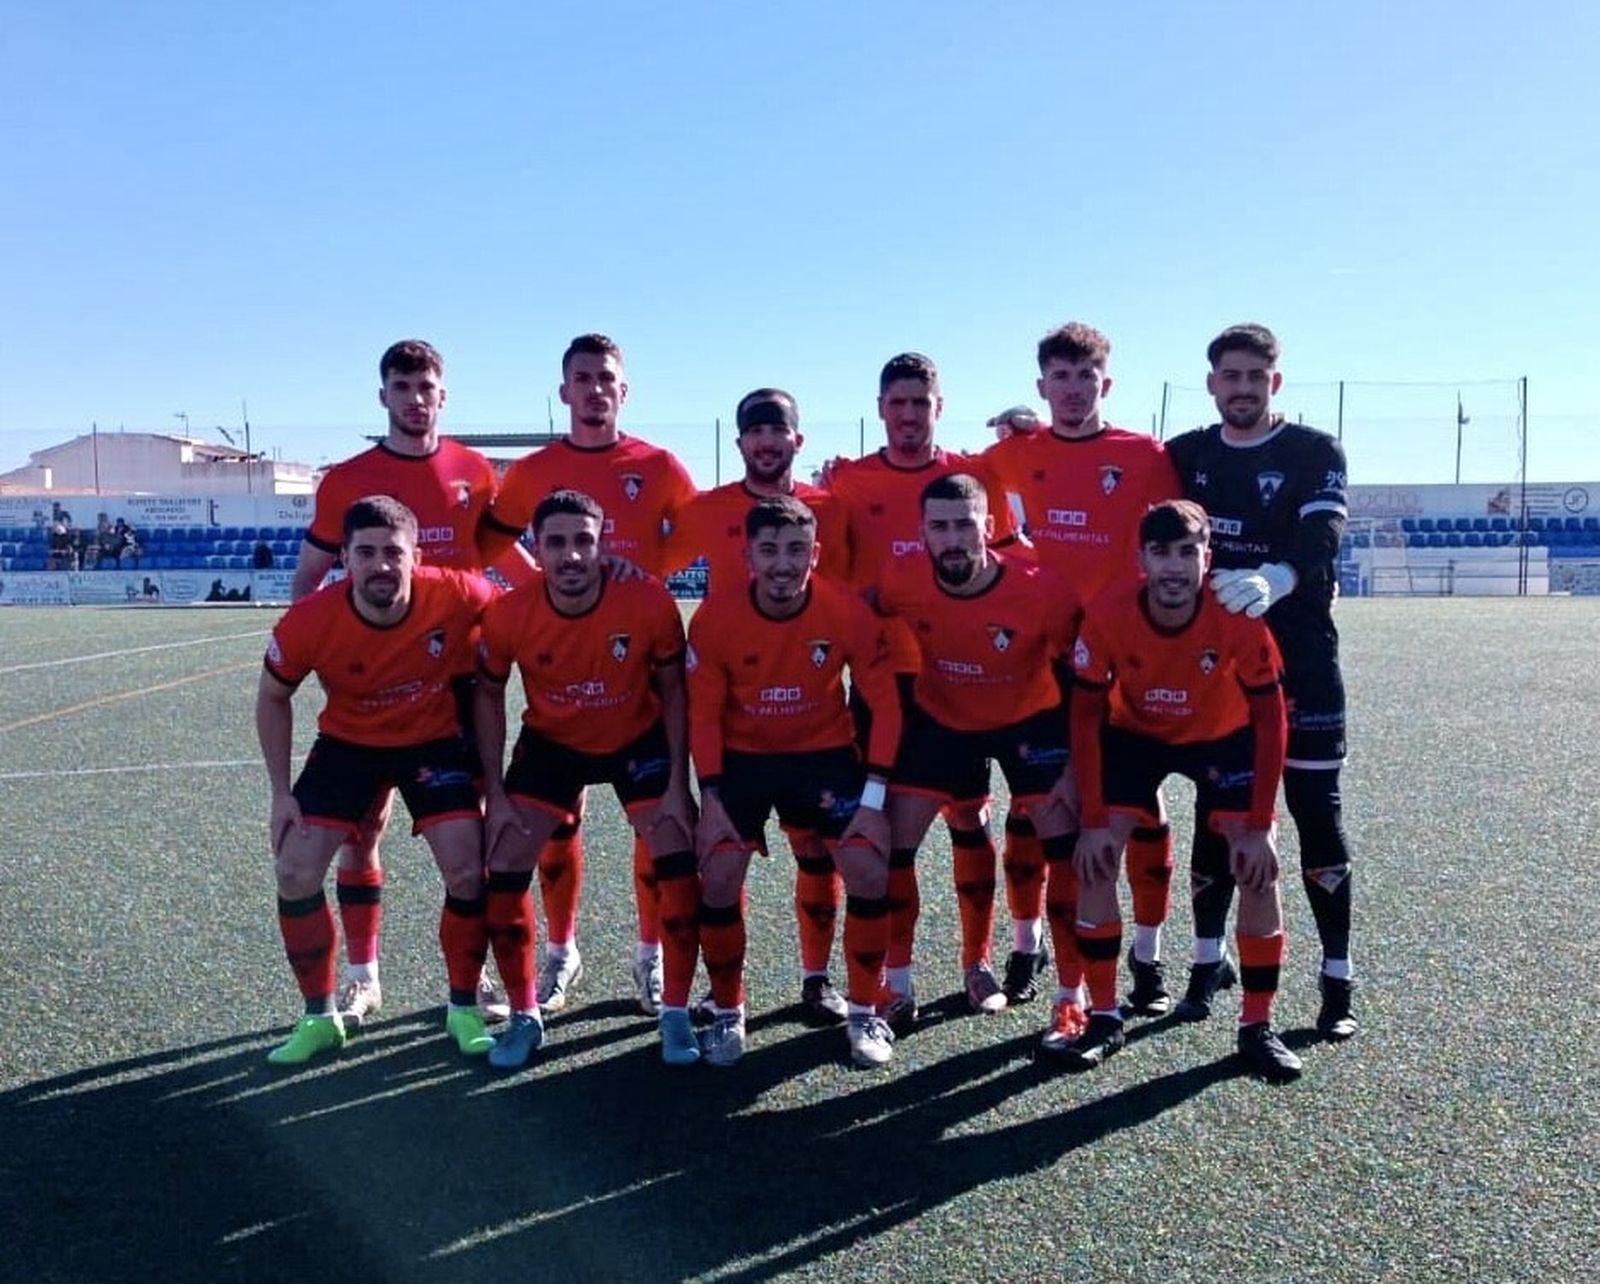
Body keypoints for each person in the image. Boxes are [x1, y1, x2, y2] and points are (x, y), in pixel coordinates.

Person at [289, 339, 532, 1030]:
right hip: (374, 677)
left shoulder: (472, 470)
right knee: (361, 832)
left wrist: (540, 595)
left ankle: (471, 975)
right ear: (384, 396)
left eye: (426, 385)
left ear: (443, 395)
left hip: (458, 678)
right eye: (402, 386)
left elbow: (494, 553)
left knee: (469, 837)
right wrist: (323, 648)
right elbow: (310, 578)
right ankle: (364, 979)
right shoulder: (346, 480)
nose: (415, 397)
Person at [480, 334, 698, 1018]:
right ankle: (561, 951)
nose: (595, 388)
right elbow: (490, 541)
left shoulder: (658, 465)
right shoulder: (533, 469)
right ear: (564, 390)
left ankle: (650, 955)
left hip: (635, 665)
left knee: (654, 826)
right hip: (560, 679)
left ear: (623, 391)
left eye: (607, 378)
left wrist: (648, 583)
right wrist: (536, 586)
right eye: (582, 378)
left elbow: (694, 534)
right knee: (553, 831)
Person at [825, 353, 1044, 1027]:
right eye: (899, 402)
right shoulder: (849, 481)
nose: (910, 414)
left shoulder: (972, 475)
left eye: (922, 402)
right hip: (885, 684)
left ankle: (978, 964)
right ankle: (897, 976)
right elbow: (828, 570)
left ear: (938, 407)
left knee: (971, 820)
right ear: (881, 407)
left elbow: (1011, 553)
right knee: (891, 836)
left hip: (961, 674)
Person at [255, 496, 508, 1065]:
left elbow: (526, 612)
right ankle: (319, 1017)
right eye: (365, 553)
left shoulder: (458, 593)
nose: (380, 565)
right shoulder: (310, 621)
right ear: (344, 557)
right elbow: (273, 697)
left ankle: (464, 1006)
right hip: (347, 746)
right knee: (294, 869)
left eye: (394, 552)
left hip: (433, 742)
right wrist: (279, 793)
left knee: (469, 865)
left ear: (416, 556)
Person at [982, 322, 1183, 1018]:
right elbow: (956, 484)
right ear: (1042, 386)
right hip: (1042, 654)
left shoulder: (1144, 454)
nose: (1072, 391)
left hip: (1125, 655)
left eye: (1085, 378)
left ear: (1107, 384)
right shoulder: (1017, 452)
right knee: (1035, 805)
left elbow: (1177, 538)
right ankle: (1025, 943)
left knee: (1137, 802)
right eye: (1059, 378)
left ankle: (1149, 957)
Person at [1061, 499, 1302, 1081]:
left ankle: (1255, 1028)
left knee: (1256, 868)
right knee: (1094, 862)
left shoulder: (1238, 617)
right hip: (1136, 736)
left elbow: (1272, 722)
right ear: (1141, 558)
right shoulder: (1110, 612)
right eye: (1161, 552)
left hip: (1223, 740)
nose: (1174, 567)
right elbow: (1085, 716)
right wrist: (1094, 819)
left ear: (1206, 557)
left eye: (1187, 552)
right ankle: (1106, 1016)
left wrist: (1262, 823)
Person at [1165, 325, 1357, 1041]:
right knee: (1221, 820)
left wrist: (1276, 578)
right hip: (1215, 671)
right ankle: (1204, 968)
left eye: (1256, 376)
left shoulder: (1314, 452)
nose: (1242, 388)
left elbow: (1322, 538)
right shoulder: (1185, 455)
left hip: (1305, 662)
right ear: (1212, 383)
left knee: (1317, 816)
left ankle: (1337, 980)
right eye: (1230, 376)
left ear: (1275, 382)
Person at [662, 388, 857, 1026]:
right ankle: (726, 1001)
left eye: (780, 431)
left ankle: (817, 979)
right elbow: (638, 559)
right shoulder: (701, 510)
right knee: (721, 856)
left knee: (818, 855)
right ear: (740, 442)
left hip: (815, 719)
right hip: (731, 723)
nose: (767, 442)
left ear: (798, 440)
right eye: (755, 432)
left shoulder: (832, 507)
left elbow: (865, 581)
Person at [688, 495, 902, 1068]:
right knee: (718, 876)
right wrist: (710, 797)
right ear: (747, 555)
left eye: (796, 550)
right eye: (769, 550)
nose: (783, 563)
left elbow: (886, 706)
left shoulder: (847, 611)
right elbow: (702, 715)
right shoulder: (715, 617)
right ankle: (730, 1012)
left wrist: (875, 797)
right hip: (743, 760)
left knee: (865, 864)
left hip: (824, 756)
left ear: (816, 553)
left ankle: (863, 1015)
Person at [872, 474, 1084, 1042]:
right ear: (921, 534)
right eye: (939, 527)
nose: (953, 538)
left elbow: (1082, 671)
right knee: (894, 846)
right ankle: (898, 985)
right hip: (943, 719)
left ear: (989, 528)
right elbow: (854, 615)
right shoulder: (900, 581)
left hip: (1030, 718)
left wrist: (1075, 765)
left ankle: (1066, 996)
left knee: (1065, 848)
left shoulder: (1041, 588)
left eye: (965, 524)